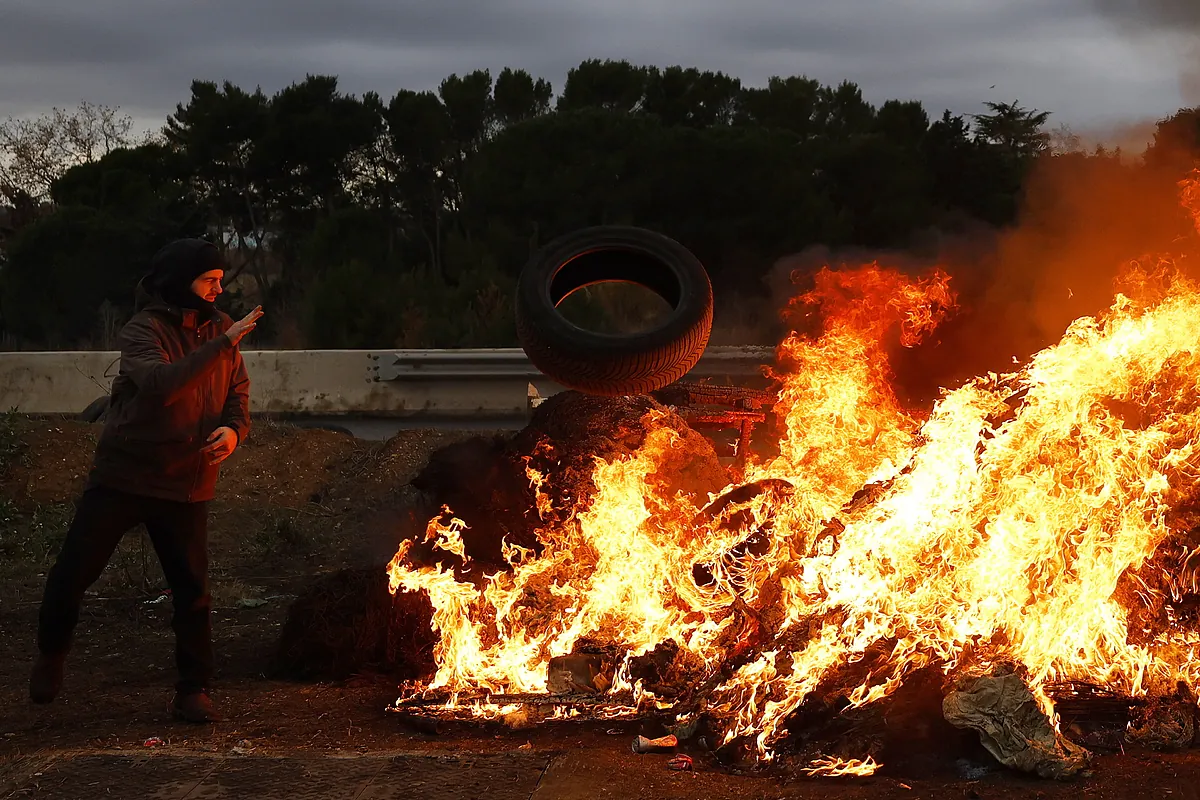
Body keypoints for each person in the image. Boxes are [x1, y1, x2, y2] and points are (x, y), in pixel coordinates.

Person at [29, 238, 264, 724]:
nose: (219, 290)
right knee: (73, 574)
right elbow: (160, 386)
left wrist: (233, 432)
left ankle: (194, 689)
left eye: (222, 280)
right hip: (125, 476)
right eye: (209, 281)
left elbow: (236, 393)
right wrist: (222, 344)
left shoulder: (222, 329)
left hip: (187, 480)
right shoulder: (144, 330)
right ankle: (52, 654)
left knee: (192, 590)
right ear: (182, 282)